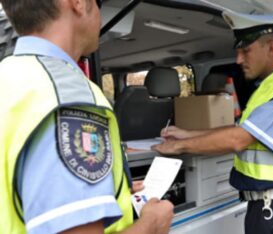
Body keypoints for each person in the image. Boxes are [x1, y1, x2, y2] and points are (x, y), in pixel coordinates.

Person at [0, 0, 173, 233]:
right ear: (78, 2)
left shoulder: (9, 76)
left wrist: (107, 192)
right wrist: (153, 222)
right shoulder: (67, 96)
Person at [152, 10, 273, 234]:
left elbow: (239, 139)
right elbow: (241, 130)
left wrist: (178, 146)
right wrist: (187, 134)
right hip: (266, 207)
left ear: (272, 46)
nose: (239, 59)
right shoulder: (269, 87)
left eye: (246, 51)